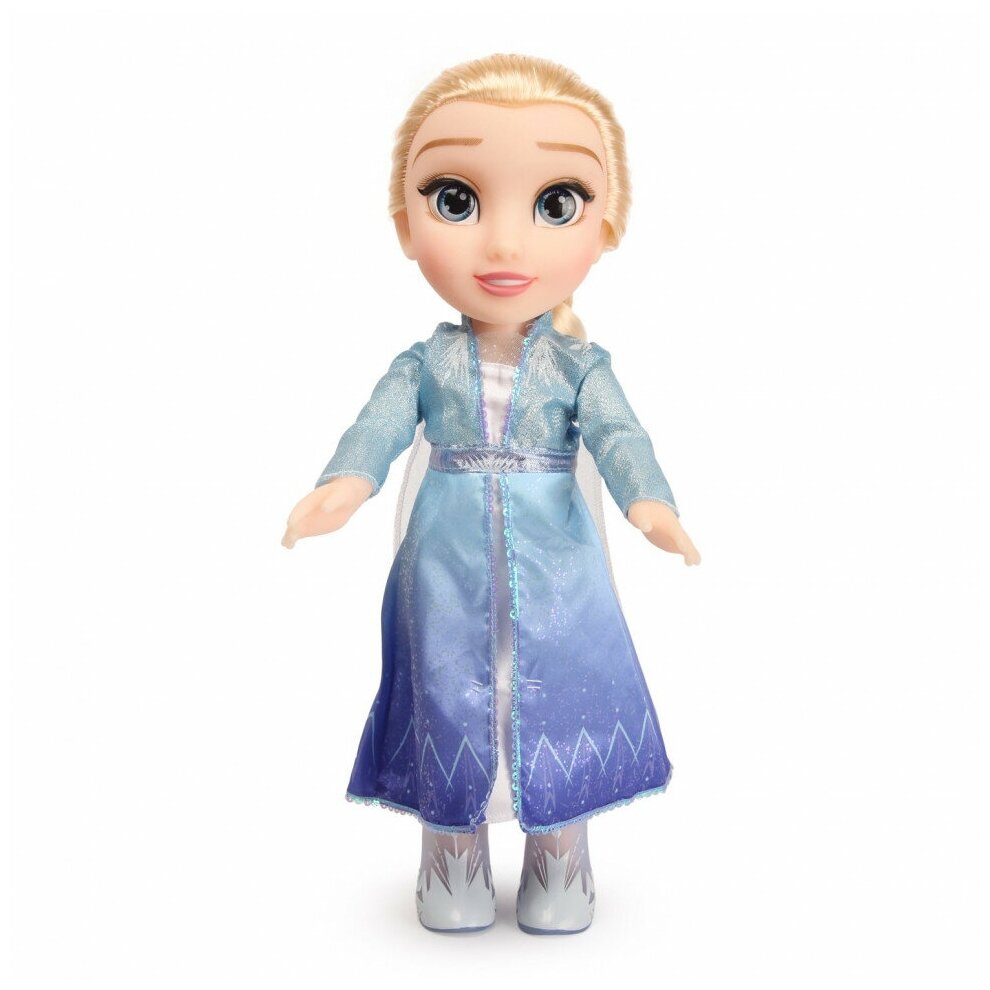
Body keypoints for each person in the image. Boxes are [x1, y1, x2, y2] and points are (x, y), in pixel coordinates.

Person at [282, 53, 701, 935]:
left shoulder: (579, 365)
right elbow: (377, 428)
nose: (506, 246)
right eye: (456, 199)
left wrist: (649, 505)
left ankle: (561, 853)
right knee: (447, 692)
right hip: (445, 563)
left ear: (606, 224)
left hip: (560, 569)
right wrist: (342, 486)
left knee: (560, 692)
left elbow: (622, 438)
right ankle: (451, 854)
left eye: (555, 203)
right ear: (406, 225)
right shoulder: (426, 361)